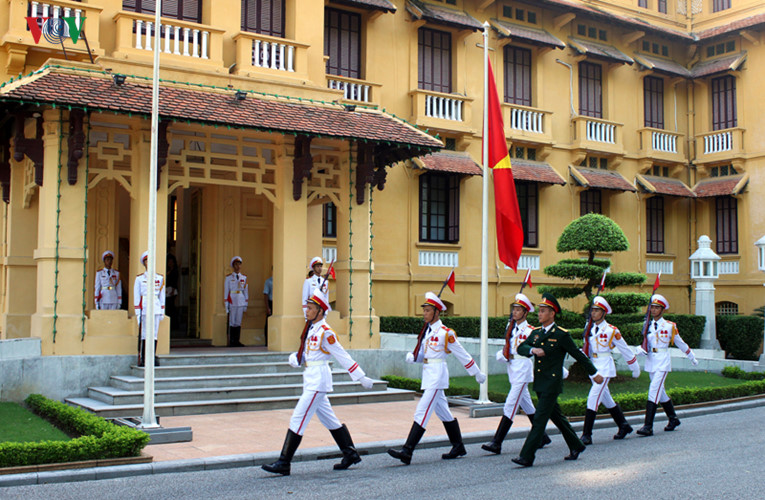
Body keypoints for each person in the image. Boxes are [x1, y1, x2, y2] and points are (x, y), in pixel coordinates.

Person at [261, 288, 374, 476]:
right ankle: (350, 453)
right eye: (307, 307)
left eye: (311, 308)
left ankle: (284, 462)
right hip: (311, 378)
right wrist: (297, 358)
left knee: (298, 417)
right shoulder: (311, 329)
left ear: (320, 311)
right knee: (329, 419)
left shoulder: (326, 332)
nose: (306, 311)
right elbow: (310, 355)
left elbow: (342, 355)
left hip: (318, 381)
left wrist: (361, 377)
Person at [388, 292, 487, 465]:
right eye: (424, 310)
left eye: (428, 310)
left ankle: (407, 450)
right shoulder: (427, 332)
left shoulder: (445, 333)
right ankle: (458, 446)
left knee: (422, 410)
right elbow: (426, 355)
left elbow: (462, 354)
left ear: (436, 312)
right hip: (429, 374)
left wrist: (476, 373)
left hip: (437, 376)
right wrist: (415, 357)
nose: (424, 313)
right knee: (443, 412)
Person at [511, 293, 603, 468]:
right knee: (558, 418)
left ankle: (527, 456)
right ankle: (576, 445)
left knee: (539, 420)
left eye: (543, 311)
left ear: (552, 313)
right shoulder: (536, 333)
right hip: (540, 382)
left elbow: (579, 355)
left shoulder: (561, 335)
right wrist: (532, 350)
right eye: (539, 311)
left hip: (552, 383)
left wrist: (594, 373)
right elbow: (521, 347)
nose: (539, 314)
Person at [482, 293, 551, 455]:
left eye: (518, 310)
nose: (515, 312)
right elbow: (509, 348)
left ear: (525, 313)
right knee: (528, 406)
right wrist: (503, 354)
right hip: (513, 368)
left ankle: (497, 442)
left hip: (523, 369)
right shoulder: (511, 328)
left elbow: (544, 351)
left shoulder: (531, 331)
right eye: (514, 309)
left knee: (510, 404)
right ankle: (542, 437)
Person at [580, 296, 640, 445]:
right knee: (607, 400)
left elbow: (624, 349)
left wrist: (634, 366)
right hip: (594, 366)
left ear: (604, 313)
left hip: (605, 367)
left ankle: (586, 434)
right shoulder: (589, 328)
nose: (593, 313)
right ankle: (624, 425)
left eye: (597, 310)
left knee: (593, 398)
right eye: (592, 310)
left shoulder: (611, 330)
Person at [636, 294, 699, 436]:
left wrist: (691, 355)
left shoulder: (670, 326)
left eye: (657, 308)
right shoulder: (647, 325)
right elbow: (645, 343)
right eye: (652, 307)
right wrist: (640, 349)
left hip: (662, 361)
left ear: (662, 310)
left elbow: (680, 342)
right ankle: (673, 419)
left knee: (653, 390)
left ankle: (648, 426)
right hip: (651, 360)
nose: (653, 310)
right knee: (661, 392)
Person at [134, 251, 165, 367]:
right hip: (145, 308)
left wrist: (162, 310)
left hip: (156, 308)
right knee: (144, 334)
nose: (149, 263)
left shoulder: (159, 278)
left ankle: (152, 356)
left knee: (154, 334)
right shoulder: (139, 279)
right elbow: (137, 297)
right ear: (144, 263)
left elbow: (161, 296)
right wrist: (138, 312)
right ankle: (144, 357)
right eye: (147, 261)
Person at [224, 256, 248, 347]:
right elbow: (226, 291)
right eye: (236, 265)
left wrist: (246, 303)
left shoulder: (244, 277)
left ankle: (237, 340)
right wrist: (226, 305)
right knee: (232, 322)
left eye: (239, 264)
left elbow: (245, 291)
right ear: (233, 266)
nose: (238, 267)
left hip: (241, 300)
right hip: (232, 300)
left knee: (238, 321)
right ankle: (231, 341)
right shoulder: (229, 278)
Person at [165, 254, 179, 333]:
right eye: (169, 262)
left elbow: (174, 281)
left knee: (171, 306)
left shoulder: (175, 271)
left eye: (171, 262)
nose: (170, 263)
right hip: (166, 290)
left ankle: (174, 324)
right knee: (168, 306)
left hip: (172, 290)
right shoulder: (166, 270)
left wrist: (173, 290)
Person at [263, 274, 273, 347]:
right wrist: (267, 307)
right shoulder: (268, 281)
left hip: (279, 303)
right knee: (268, 322)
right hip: (271, 302)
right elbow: (265, 294)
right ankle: (267, 341)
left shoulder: (281, 280)